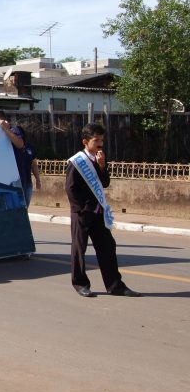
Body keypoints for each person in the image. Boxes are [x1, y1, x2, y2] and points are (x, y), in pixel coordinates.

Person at [66, 123, 141, 298]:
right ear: (85, 142)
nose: (100, 144)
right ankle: (80, 284)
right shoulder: (77, 162)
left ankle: (115, 286)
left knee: (107, 247)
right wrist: (81, 209)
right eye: (96, 140)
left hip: (99, 213)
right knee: (79, 249)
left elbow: (105, 183)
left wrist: (102, 166)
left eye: (102, 140)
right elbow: (70, 188)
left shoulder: (99, 159)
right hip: (83, 213)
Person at [0, 110, 36, 205]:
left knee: (22, 208)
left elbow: (20, 144)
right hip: (5, 181)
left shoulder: (14, 130)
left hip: (21, 180)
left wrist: (5, 129)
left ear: (2, 121)